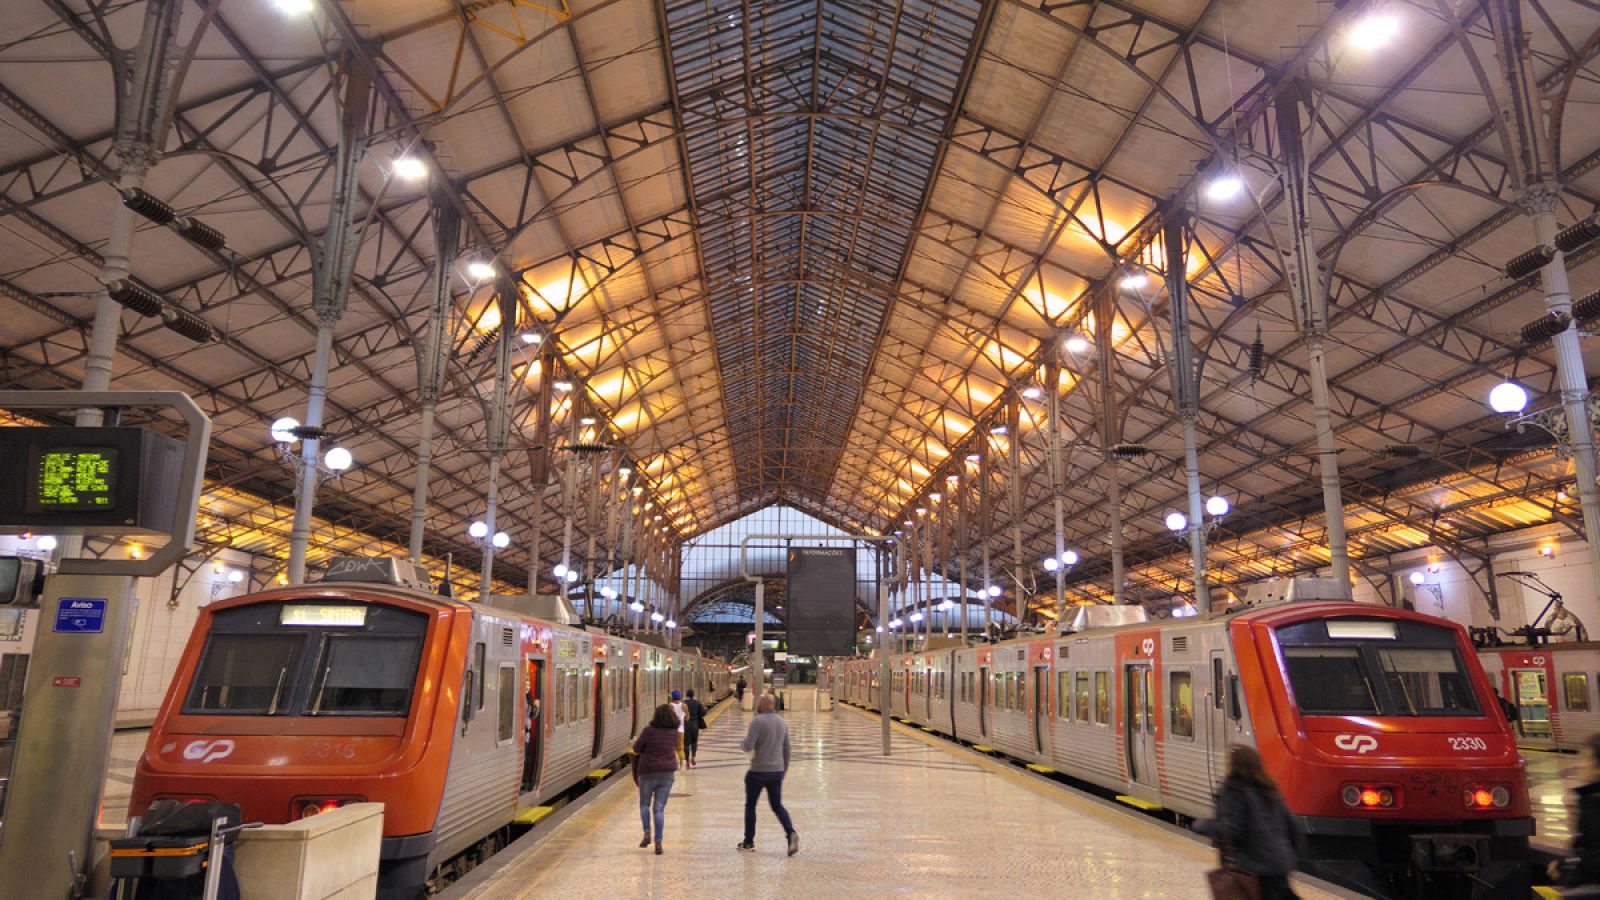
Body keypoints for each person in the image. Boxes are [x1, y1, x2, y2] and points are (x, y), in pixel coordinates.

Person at [1194, 745, 1299, 900]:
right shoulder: (1270, 789)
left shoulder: (1234, 790)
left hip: (1253, 870)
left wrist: (1201, 825)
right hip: (1279, 868)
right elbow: (1294, 829)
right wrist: (1287, 856)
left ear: (1232, 765)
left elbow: (1231, 830)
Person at [738, 693, 797, 855]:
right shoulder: (781, 722)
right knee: (777, 805)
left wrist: (741, 744)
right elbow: (787, 749)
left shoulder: (757, 721)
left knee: (751, 806)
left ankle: (748, 841)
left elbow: (749, 745)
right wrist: (784, 770)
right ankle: (790, 832)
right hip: (776, 771)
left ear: (762, 705)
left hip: (758, 771)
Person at [1553, 734, 1600, 894]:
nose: (1579, 764)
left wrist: (1567, 863)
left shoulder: (1594, 801)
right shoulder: (1589, 797)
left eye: (1586, 758)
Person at [631, 704, 680, 855]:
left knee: (644, 804)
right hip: (667, 774)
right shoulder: (674, 733)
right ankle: (659, 842)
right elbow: (676, 747)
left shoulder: (648, 731)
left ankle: (647, 832)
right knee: (659, 809)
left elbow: (636, 749)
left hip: (648, 772)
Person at [684, 689, 708, 768]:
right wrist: (705, 709)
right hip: (695, 725)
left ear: (686, 695)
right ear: (693, 695)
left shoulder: (683, 703)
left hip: (685, 725)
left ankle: (687, 761)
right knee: (694, 742)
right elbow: (704, 713)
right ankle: (693, 757)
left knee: (686, 744)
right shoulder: (697, 703)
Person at [669, 690, 688, 761]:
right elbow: (687, 718)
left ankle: (672, 761)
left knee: (671, 747)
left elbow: (667, 718)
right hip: (681, 730)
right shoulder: (684, 706)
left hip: (672, 731)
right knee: (680, 747)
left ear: (672, 697)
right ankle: (681, 762)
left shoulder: (670, 706)